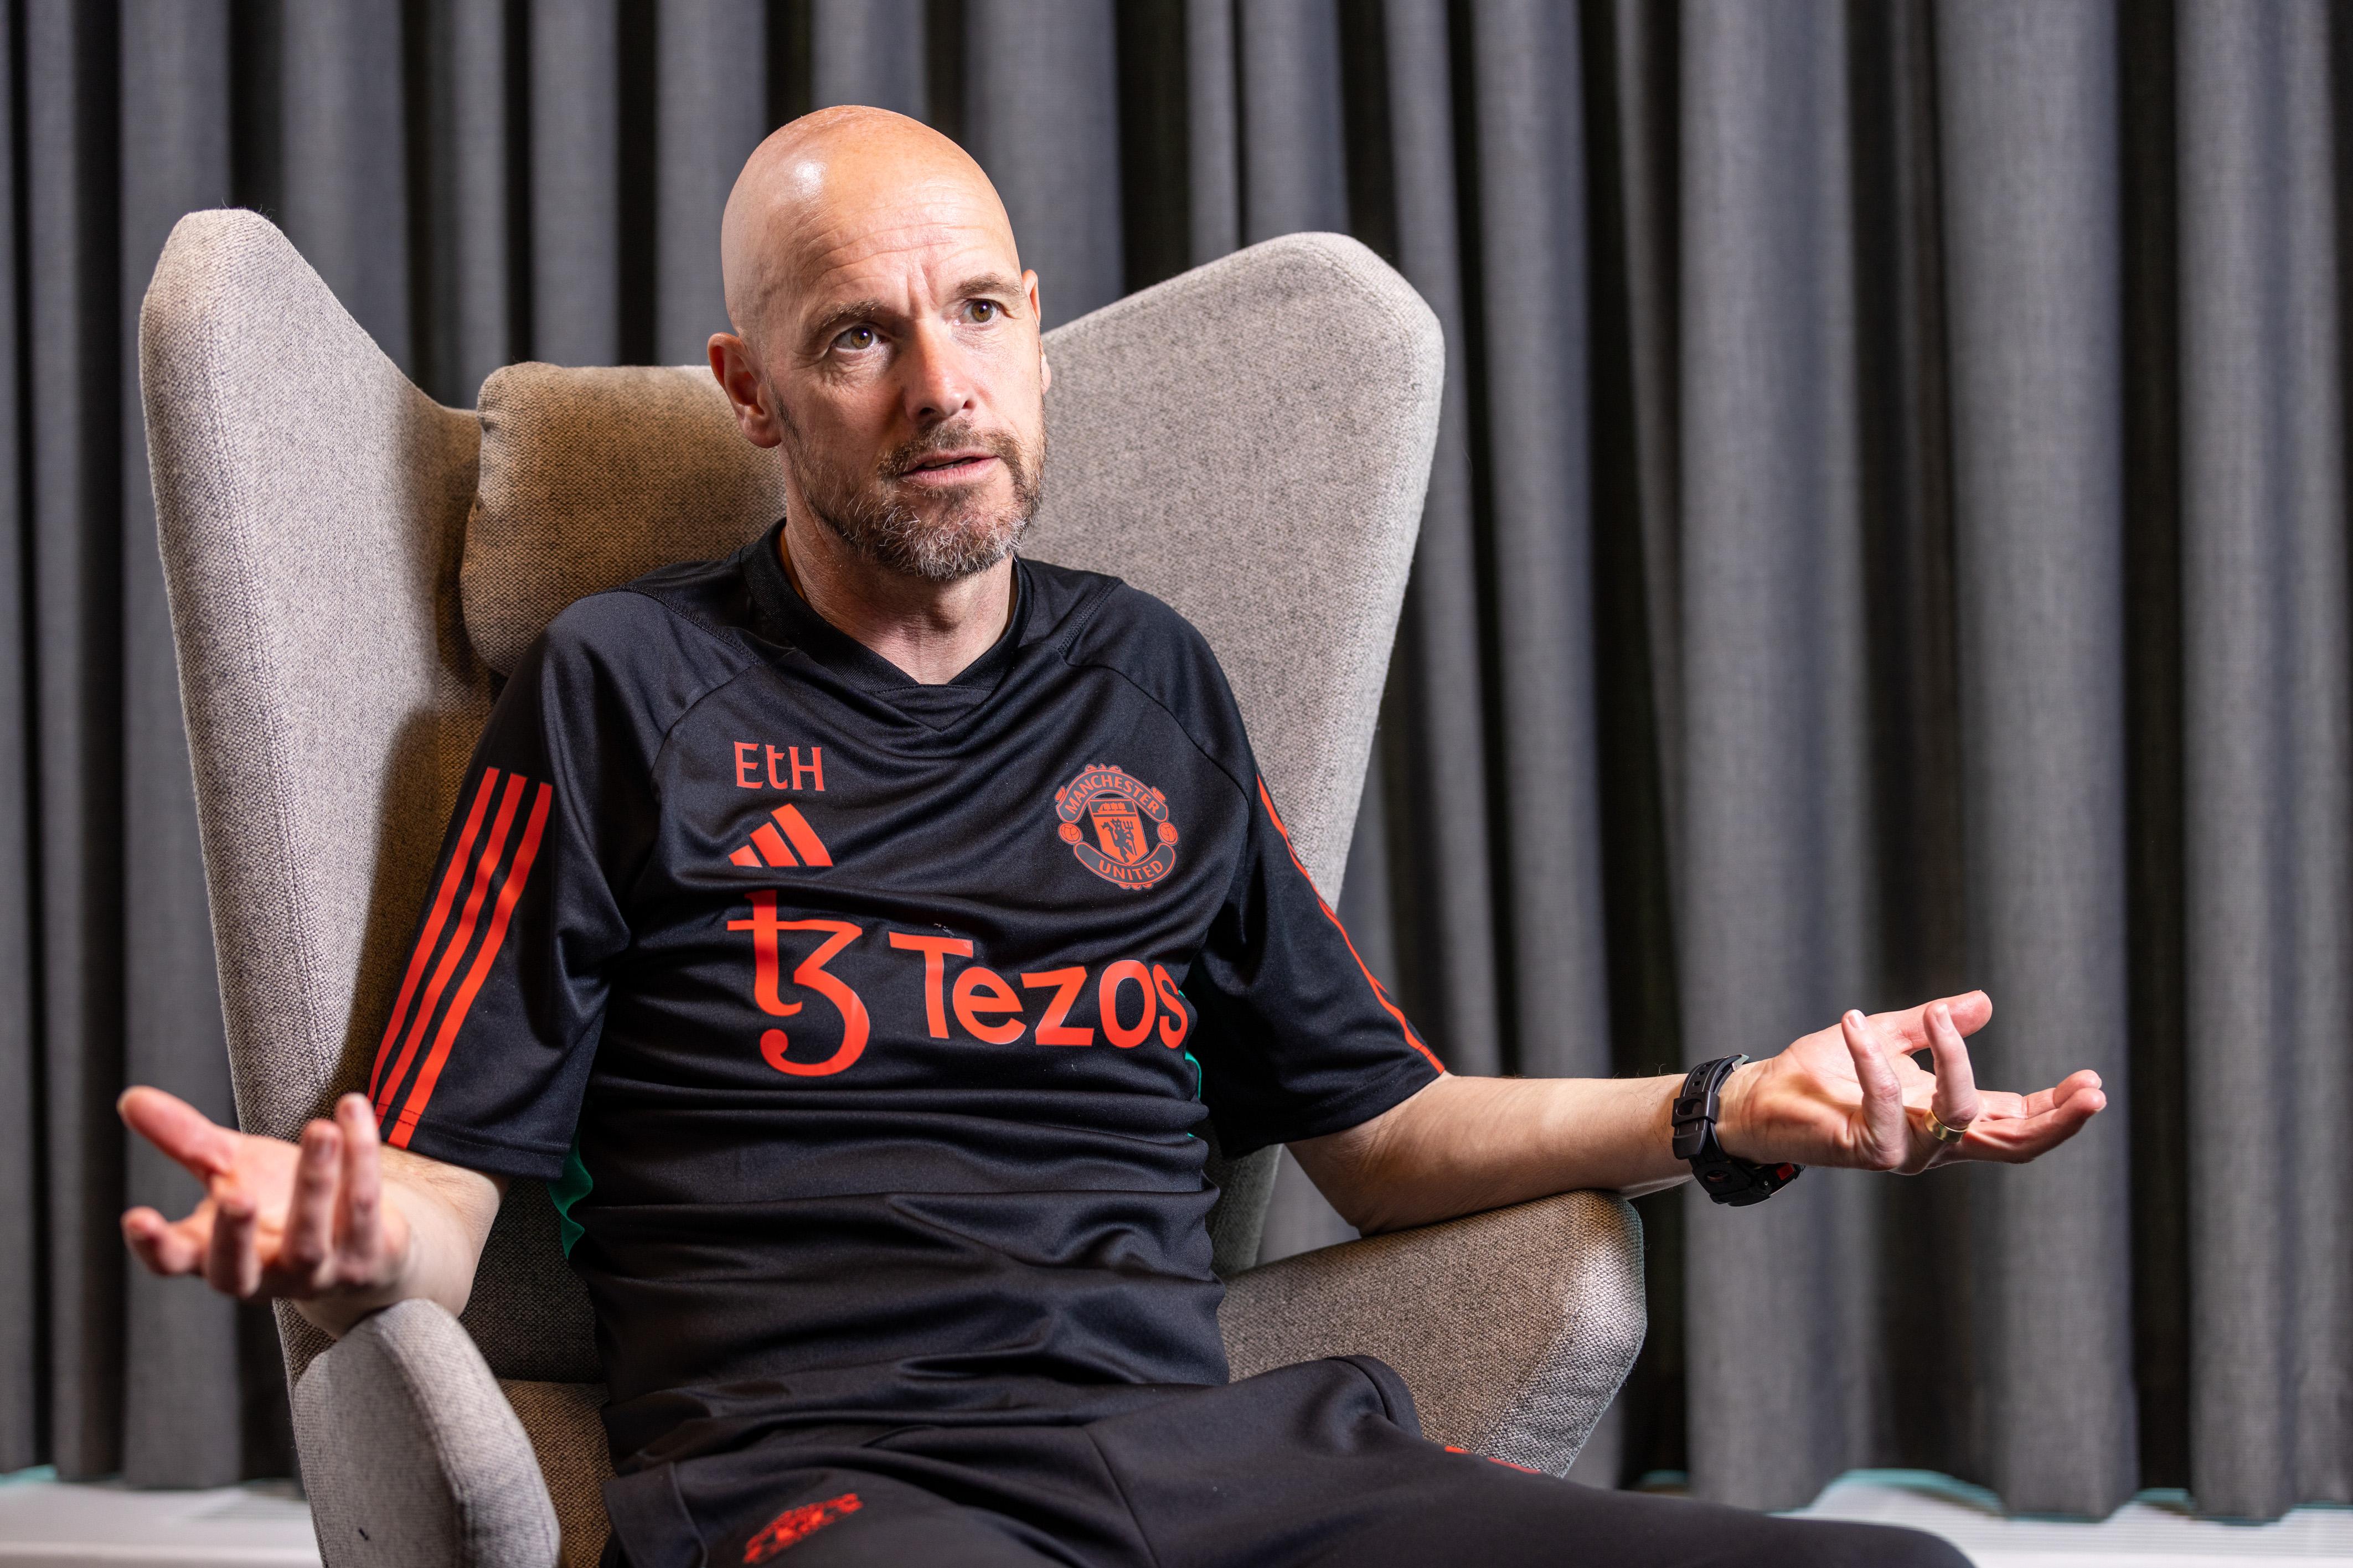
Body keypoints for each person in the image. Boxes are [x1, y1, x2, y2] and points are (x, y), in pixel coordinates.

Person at [118, 107, 2102, 1567]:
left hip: (1210, 1465)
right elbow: (444, 1176)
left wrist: (1728, 1106)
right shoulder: (619, 689)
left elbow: (1384, 1127)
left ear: (1037, 330)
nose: (942, 387)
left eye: (978, 310)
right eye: (856, 336)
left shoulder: (1148, 679)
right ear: (751, 394)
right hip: (822, 1478)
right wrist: (355, 1244)